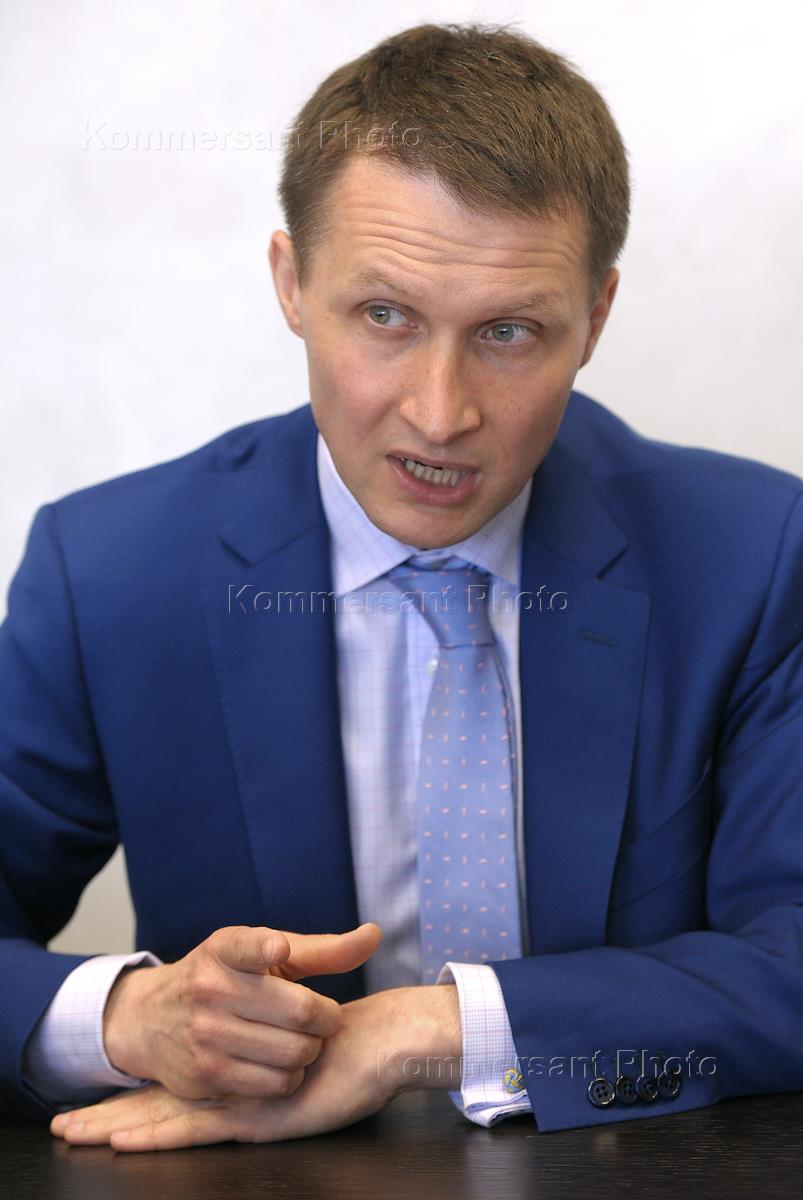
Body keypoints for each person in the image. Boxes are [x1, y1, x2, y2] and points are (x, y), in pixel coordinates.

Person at [1, 22, 801, 1151]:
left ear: (595, 319)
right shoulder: (108, 572)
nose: (439, 413)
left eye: (508, 332)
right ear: (291, 283)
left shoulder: (753, 555)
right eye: (384, 316)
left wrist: (427, 1033)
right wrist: (128, 1018)